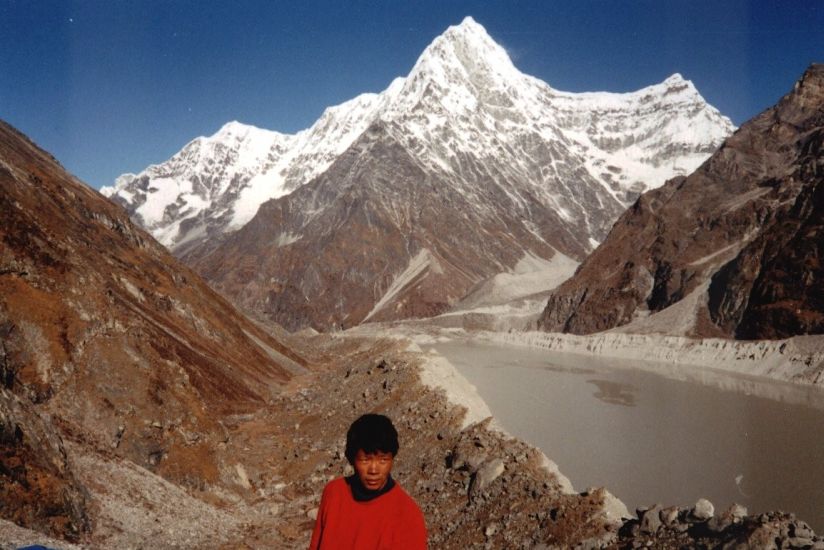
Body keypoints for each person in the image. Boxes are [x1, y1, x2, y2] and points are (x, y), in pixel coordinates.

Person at [309, 413, 427, 549]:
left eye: (383, 460)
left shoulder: (407, 515)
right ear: (351, 458)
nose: (374, 470)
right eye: (365, 460)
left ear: (392, 459)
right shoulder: (334, 493)